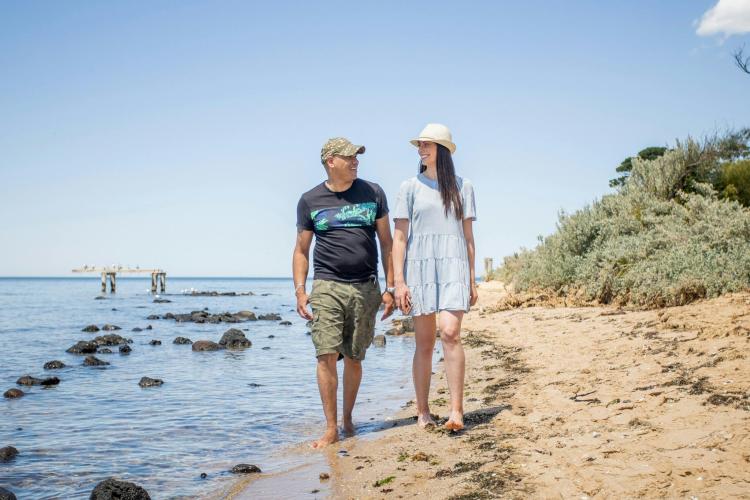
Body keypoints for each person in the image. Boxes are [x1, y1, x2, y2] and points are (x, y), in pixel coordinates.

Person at [293, 137, 396, 448]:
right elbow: (301, 250)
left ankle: (348, 417)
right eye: (349, 157)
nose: (356, 162)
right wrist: (300, 289)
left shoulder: (373, 192)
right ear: (330, 161)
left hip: (366, 286)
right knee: (325, 353)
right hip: (326, 285)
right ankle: (330, 428)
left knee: (353, 356)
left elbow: (387, 243)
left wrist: (391, 287)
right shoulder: (310, 200)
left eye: (357, 157)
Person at [392, 123, 477, 431]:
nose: (421, 148)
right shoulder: (409, 187)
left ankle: (456, 412)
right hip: (419, 267)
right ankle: (423, 412)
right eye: (420, 144)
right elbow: (399, 238)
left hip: (453, 265)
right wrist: (398, 282)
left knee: (451, 332)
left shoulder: (462, 186)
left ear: (442, 150)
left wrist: (471, 278)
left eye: (427, 144)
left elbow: (468, 237)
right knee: (425, 342)